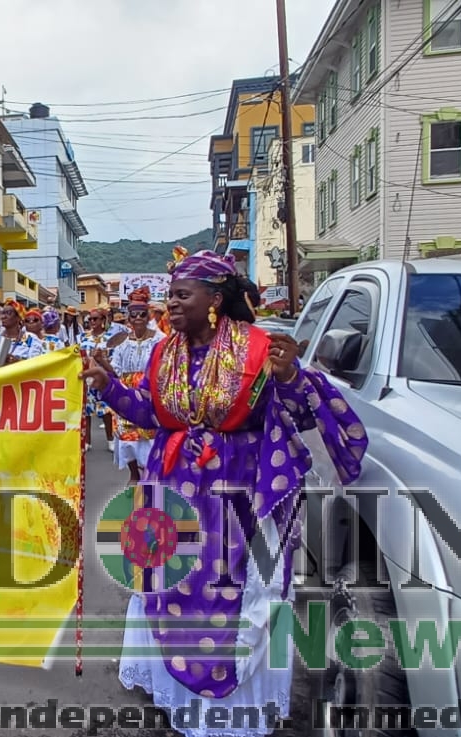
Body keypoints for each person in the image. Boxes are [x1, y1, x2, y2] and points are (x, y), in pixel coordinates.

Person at [81, 248, 367, 737]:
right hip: (171, 489)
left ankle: (229, 711)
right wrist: (110, 388)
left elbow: (298, 417)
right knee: (172, 585)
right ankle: (176, 690)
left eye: (181, 295)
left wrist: (290, 377)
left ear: (215, 299)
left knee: (229, 591)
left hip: (237, 492)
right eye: (169, 295)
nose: (170, 304)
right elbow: (153, 415)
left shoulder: (259, 349)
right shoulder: (163, 352)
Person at [104, 287, 164, 484]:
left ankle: (149, 472)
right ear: (128, 318)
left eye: (142, 314)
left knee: (151, 435)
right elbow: (115, 370)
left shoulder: (160, 339)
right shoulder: (121, 341)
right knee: (127, 434)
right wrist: (101, 362)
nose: (138, 318)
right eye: (134, 314)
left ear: (149, 316)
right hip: (127, 392)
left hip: (151, 391)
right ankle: (134, 473)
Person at [78, 308, 115, 452]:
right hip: (87, 377)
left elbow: (112, 359)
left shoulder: (109, 339)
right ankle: (87, 441)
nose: (92, 322)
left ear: (103, 321)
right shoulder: (82, 337)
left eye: (95, 319)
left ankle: (110, 439)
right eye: (90, 319)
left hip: (103, 378)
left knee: (106, 410)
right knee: (86, 411)